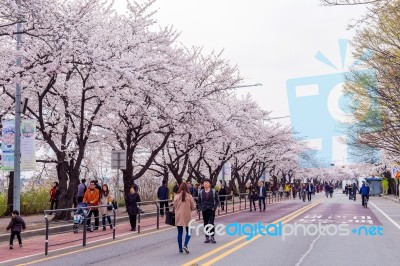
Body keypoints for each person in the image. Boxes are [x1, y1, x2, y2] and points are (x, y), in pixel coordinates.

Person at [174, 182, 195, 254]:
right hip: (187, 215)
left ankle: (180, 249)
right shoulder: (189, 196)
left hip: (178, 215)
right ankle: (185, 244)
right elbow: (193, 206)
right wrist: (190, 210)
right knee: (189, 231)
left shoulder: (176, 196)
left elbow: (174, 206)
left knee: (180, 232)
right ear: (187, 188)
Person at [199, 178, 219, 243]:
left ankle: (212, 237)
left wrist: (214, 208)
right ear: (203, 184)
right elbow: (199, 202)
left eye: (207, 183)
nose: (206, 184)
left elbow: (217, 201)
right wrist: (201, 208)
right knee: (205, 223)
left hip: (211, 209)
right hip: (204, 210)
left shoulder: (213, 191)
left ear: (210, 184)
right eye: (204, 183)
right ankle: (207, 237)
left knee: (211, 223)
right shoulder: (201, 192)